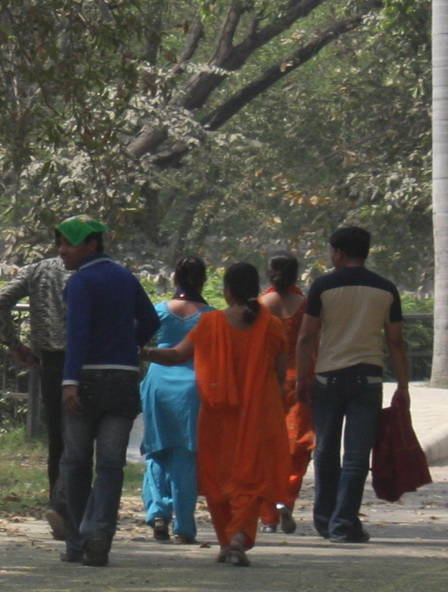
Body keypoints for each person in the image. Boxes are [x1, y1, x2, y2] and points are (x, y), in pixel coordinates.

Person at [145, 262, 289, 566]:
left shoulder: (212, 323)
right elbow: (279, 376)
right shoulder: (272, 326)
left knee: (218, 479)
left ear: (226, 291)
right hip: (257, 417)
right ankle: (236, 539)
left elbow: (175, 356)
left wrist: (139, 352)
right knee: (249, 478)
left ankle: (229, 539)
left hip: (217, 418)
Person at [56, 215, 159, 567]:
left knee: (76, 461)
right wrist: (127, 346)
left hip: (86, 379)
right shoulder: (126, 278)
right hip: (123, 379)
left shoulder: (80, 282)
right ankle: (100, 537)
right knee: (111, 464)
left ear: (91, 245)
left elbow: (77, 335)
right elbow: (151, 321)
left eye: (68, 244)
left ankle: (76, 540)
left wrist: (69, 382)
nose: (62, 251)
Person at [296, 226, 410, 543]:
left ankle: (324, 520)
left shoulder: (323, 287)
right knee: (358, 457)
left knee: (326, 451)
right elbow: (396, 342)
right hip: (368, 379)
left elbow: (306, 336)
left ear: (340, 253)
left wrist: (302, 376)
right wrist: (403, 385)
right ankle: (344, 524)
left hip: (328, 377)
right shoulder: (386, 289)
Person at [0, 251, 72, 537]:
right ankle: (71, 507)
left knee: (57, 438)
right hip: (87, 360)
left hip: (49, 360)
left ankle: (58, 504)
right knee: (82, 437)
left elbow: (0, 302)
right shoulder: (97, 269)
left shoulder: (38, 270)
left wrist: (14, 344)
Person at [139, 257, 211, 546]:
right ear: (204, 280)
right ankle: (184, 526)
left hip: (158, 381)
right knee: (185, 453)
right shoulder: (211, 316)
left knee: (157, 449)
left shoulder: (158, 311)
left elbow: (139, 338)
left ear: (175, 278)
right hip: (193, 385)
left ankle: (158, 512)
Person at [257, 253, 312, 534]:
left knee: (266, 447)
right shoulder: (306, 305)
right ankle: (286, 501)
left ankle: (267, 515)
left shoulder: (259, 306)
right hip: (300, 381)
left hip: (266, 383)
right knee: (297, 448)